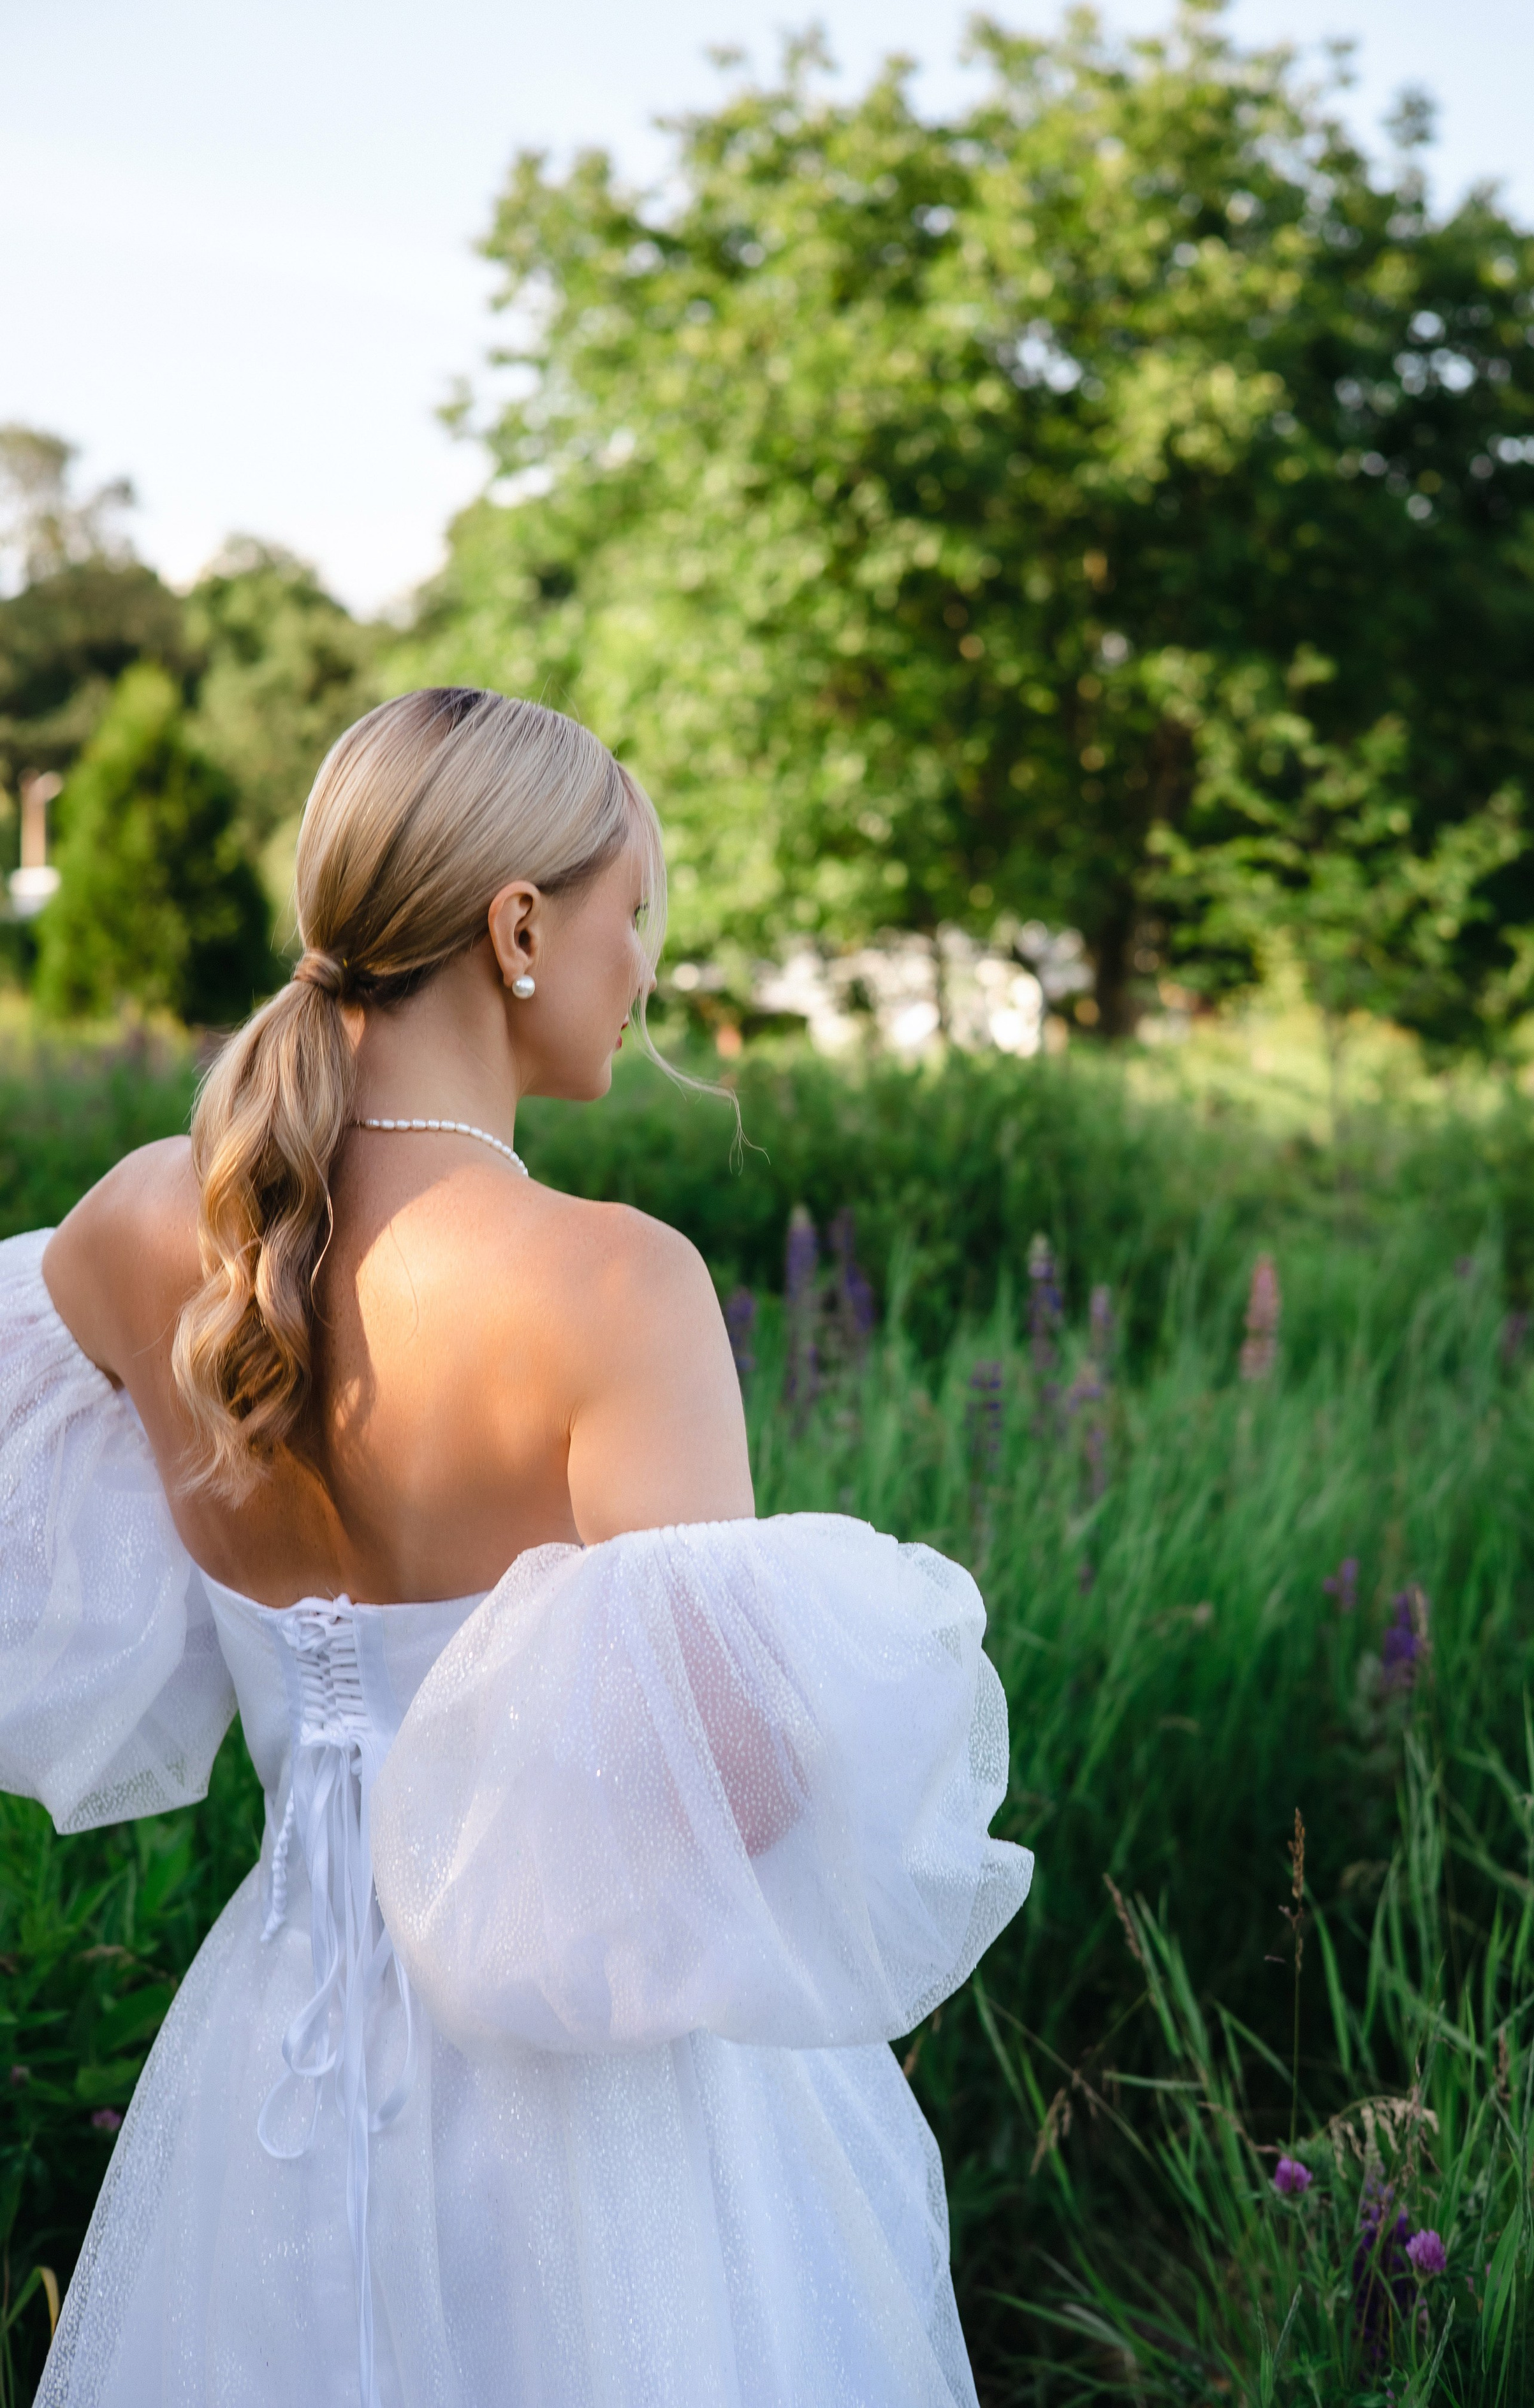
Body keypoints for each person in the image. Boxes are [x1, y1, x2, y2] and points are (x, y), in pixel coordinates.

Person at [0, 687, 1032, 2408]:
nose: (646, 971)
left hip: (274, 2061)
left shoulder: (130, 1229)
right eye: (638, 918)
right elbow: (741, 1785)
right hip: (593, 2105)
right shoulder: (616, 1284)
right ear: (522, 925)